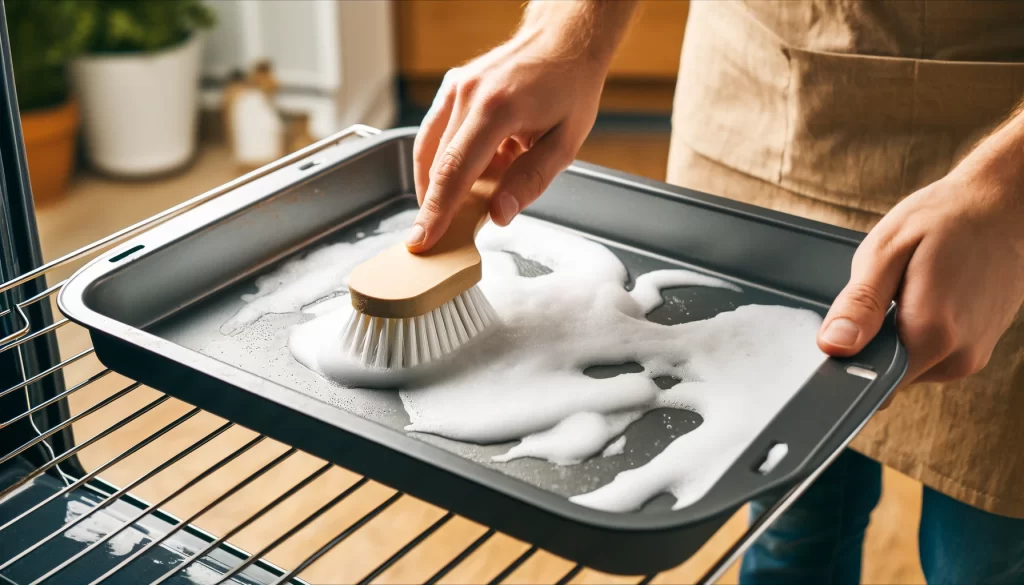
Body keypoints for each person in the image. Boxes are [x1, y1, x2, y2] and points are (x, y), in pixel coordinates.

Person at [406, 1, 1024, 583]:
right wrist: (569, 30)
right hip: (760, 89)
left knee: (980, 559)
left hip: (1001, 128)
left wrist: (1008, 196)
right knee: (790, 530)